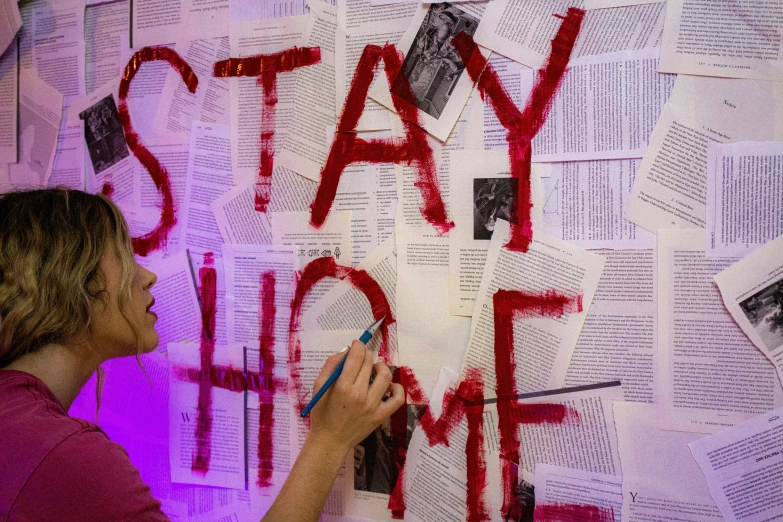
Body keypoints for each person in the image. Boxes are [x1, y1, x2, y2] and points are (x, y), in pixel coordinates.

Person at [0, 188, 405, 521]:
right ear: (76, 282)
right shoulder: (67, 460)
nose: (147, 275)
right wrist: (329, 440)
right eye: (123, 256)